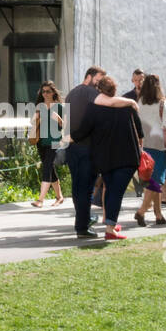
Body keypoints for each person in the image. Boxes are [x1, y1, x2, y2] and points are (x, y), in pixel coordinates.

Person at [73, 75, 142, 240]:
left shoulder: (92, 109)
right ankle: (110, 228)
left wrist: (66, 135)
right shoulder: (127, 106)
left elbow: (83, 131)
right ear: (114, 90)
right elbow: (139, 131)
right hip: (127, 157)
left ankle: (110, 224)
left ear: (98, 91)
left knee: (111, 190)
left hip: (104, 159)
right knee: (116, 192)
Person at [64, 66, 106, 238]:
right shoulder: (92, 93)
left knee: (77, 187)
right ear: (89, 77)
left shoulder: (71, 93)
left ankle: (83, 219)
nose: (99, 84)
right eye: (98, 79)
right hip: (87, 148)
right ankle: (82, 226)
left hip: (72, 147)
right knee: (86, 189)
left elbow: (66, 120)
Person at [133, 74, 166, 226]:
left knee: (152, 180)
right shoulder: (162, 103)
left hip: (144, 143)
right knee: (156, 180)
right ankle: (142, 211)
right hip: (158, 144)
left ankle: (158, 214)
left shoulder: (140, 102)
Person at [30, 82, 66, 207]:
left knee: (47, 167)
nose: (45, 94)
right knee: (49, 167)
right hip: (41, 141)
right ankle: (59, 196)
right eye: (43, 91)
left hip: (55, 141)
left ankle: (40, 200)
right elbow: (33, 122)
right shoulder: (40, 106)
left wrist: (59, 120)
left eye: (48, 91)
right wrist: (36, 117)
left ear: (53, 93)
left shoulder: (60, 107)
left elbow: (66, 125)